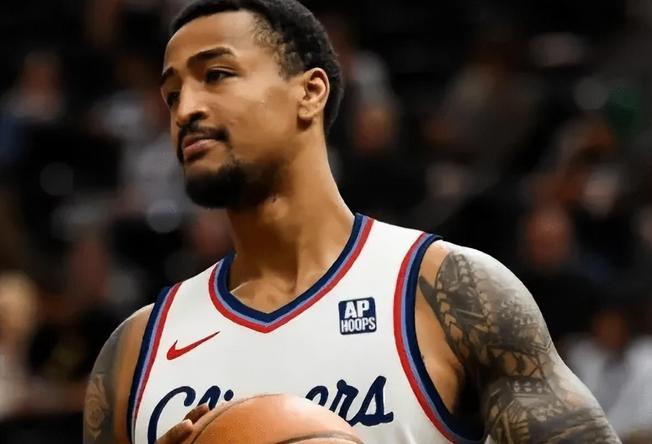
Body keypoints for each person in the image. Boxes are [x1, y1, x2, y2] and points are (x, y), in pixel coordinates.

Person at [82, 1, 621, 443]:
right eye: (172, 94)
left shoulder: (447, 292)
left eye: (216, 75)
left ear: (309, 92)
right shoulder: (134, 350)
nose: (185, 110)